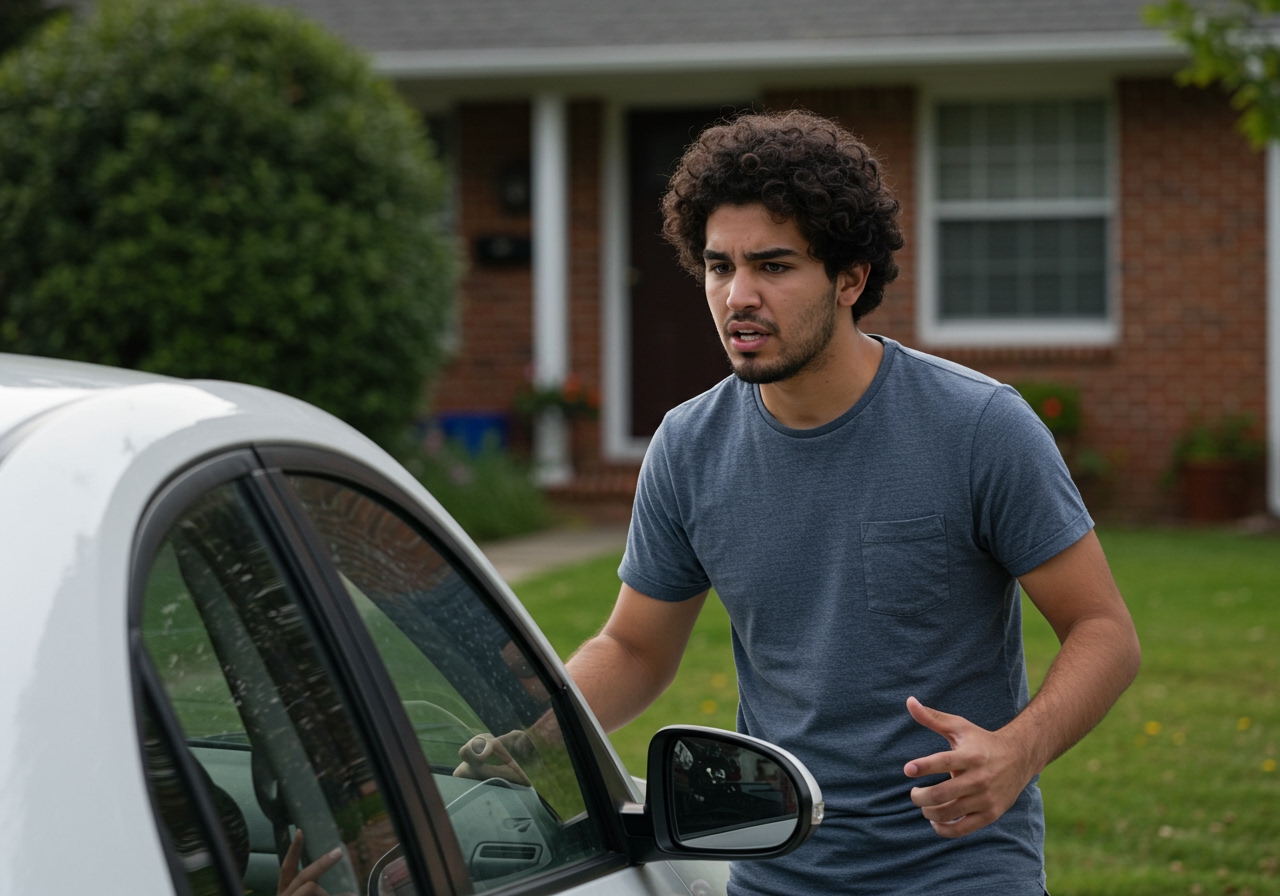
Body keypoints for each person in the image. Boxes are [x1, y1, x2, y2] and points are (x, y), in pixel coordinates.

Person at [564, 110, 1141, 895]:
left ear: (850, 278)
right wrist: (535, 735)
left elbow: (1104, 629)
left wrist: (1018, 750)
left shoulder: (977, 426)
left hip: (959, 868)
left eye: (773, 266)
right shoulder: (688, 446)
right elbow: (634, 648)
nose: (738, 296)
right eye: (719, 266)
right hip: (774, 868)